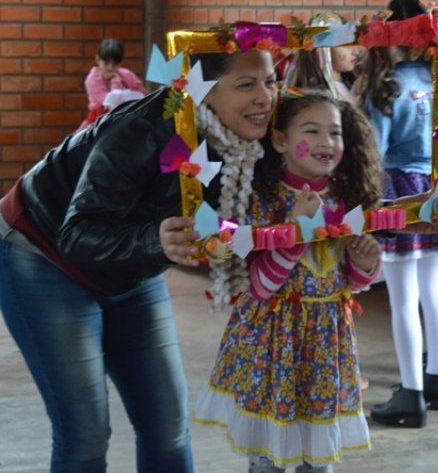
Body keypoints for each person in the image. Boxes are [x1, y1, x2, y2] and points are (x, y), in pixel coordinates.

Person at [0, 45, 279, 473]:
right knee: (86, 434)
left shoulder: (255, 136)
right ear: (204, 92)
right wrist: (154, 240)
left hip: (134, 264)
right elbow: (77, 234)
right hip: (43, 255)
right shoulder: (141, 130)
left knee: (167, 423)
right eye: (247, 84)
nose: (265, 96)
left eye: (271, 81)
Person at [194, 51, 384, 473]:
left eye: (334, 133)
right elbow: (260, 286)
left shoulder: (343, 200)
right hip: (271, 346)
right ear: (280, 140)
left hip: (325, 343)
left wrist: (365, 263)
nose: (326, 142)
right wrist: (296, 232)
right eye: (311, 131)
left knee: (319, 456)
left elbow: (352, 282)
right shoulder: (261, 200)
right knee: (269, 456)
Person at [356, 0, 438, 428]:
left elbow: (374, 150)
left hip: (400, 194)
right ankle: (436, 384)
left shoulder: (387, 86)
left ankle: (411, 396)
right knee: (434, 290)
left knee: (404, 298)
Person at [80, 37, 148, 128]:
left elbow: (144, 96)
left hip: (127, 120)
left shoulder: (127, 75)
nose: (110, 68)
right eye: (106, 63)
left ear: (120, 63)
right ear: (98, 60)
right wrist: (116, 82)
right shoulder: (93, 79)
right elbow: (110, 104)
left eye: (115, 64)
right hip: (99, 122)